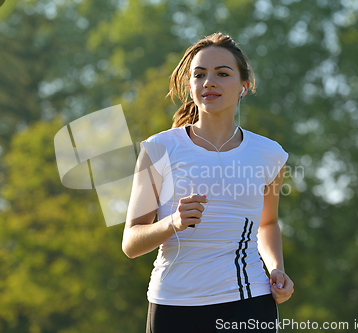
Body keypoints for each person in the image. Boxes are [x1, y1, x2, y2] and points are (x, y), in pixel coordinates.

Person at [122, 32, 294, 333]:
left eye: (222, 73)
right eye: (199, 75)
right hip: (172, 306)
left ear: (245, 86)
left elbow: (267, 224)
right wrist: (172, 222)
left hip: (247, 300)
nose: (209, 82)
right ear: (190, 86)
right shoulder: (159, 149)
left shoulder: (269, 154)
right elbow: (131, 243)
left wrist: (276, 268)